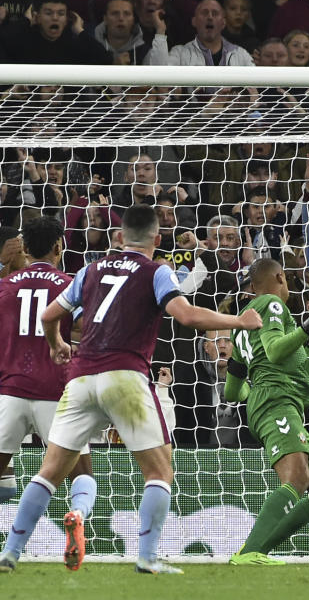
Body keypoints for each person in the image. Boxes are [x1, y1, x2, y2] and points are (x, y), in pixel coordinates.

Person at [0, 204, 262, 575]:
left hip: (80, 379)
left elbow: (48, 316)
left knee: (48, 473)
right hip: (125, 376)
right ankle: (147, 556)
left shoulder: (90, 269)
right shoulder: (156, 271)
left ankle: (10, 552)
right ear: (157, 239)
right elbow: (186, 315)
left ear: (119, 238)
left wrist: (56, 343)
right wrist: (240, 320)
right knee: (159, 470)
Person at [223, 257, 309, 564]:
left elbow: (232, 390)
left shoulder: (242, 326)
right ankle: (250, 551)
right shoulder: (272, 305)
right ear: (279, 277)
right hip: (277, 401)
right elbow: (276, 351)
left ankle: (256, 549)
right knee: (297, 479)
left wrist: (256, 392)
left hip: (275, 401)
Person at [0, 217, 98, 570]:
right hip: (57, 394)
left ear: (24, 249)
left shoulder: (5, 286)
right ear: (60, 247)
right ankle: (77, 512)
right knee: (81, 472)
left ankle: (10, 548)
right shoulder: (71, 286)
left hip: (9, 393)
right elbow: (90, 331)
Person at [145, 0, 253, 65]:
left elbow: (255, 93)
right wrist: (160, 31)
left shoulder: (241, 55)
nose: (210, 17)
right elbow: (160, 77)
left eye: (215, 13)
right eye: (205, 13)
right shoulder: (181, 53)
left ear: (223, 23)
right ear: (194, 21)